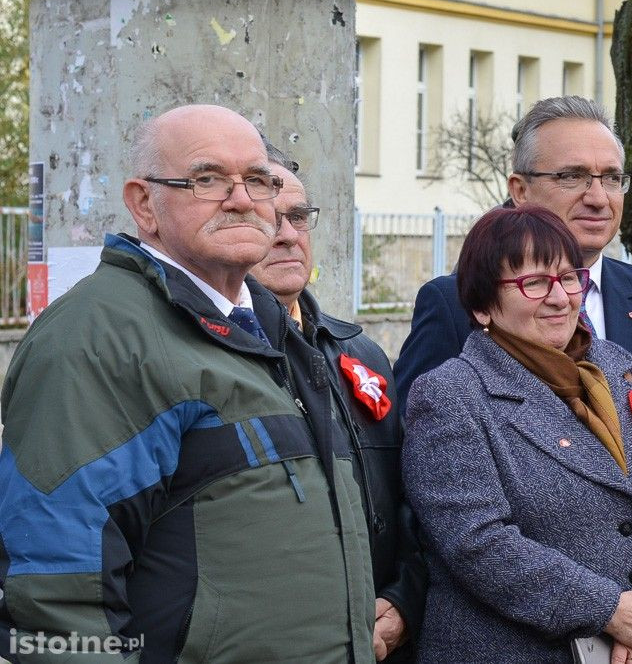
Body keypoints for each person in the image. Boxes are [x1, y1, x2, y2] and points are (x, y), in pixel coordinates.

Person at [0, 105, 376, 661]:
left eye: (258, 180)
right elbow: (56, 593)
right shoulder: (98, 339)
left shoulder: (275, 327)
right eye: (208, 179)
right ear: (143, 203)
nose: (242, 199)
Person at [393, 95, 632, 661]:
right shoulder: (452, 347)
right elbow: (451, 520)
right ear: (520, 188)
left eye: (611, 178)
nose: (597, 195)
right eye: (573, 176)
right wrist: (613, 612)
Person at [249, 153, 426, 663]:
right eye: (269, 220)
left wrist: (403, 601)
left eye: (298, 217)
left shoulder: (361, 353)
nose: (287, 236)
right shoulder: (215, 357)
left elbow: (415, 497)